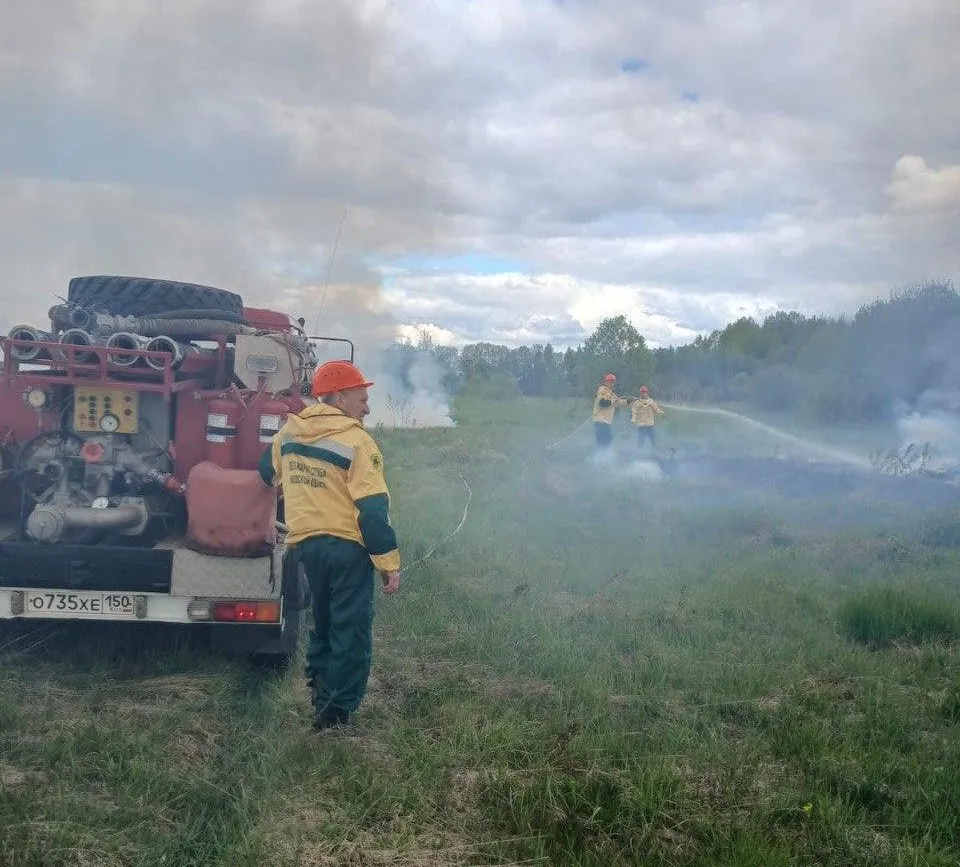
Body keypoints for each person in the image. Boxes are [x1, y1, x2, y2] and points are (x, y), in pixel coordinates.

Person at [259, 359, 401, 730]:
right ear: (338, 396)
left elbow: (265, 470)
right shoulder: (357, 441)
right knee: (350, 629)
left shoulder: (289, 433)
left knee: (322, 623)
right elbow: (373, 511)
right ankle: (336, 715)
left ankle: (321, 695)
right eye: (361, 398)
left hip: (306, 546)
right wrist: (388, 562)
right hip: (347, 549)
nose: (367, 407)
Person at [592, 373, 630, 448]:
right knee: (605, 440)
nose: (612, 384)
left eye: (613, 382)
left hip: (606, 421)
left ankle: (602, 455)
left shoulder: (612, 394)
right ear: (606, 382)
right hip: (600, 420)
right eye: (610, 382)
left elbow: (619, 402)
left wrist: (627, 402)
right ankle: (600, 456)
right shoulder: (602, 390)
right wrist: (613, 401)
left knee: (607, 439)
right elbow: (602, 403)